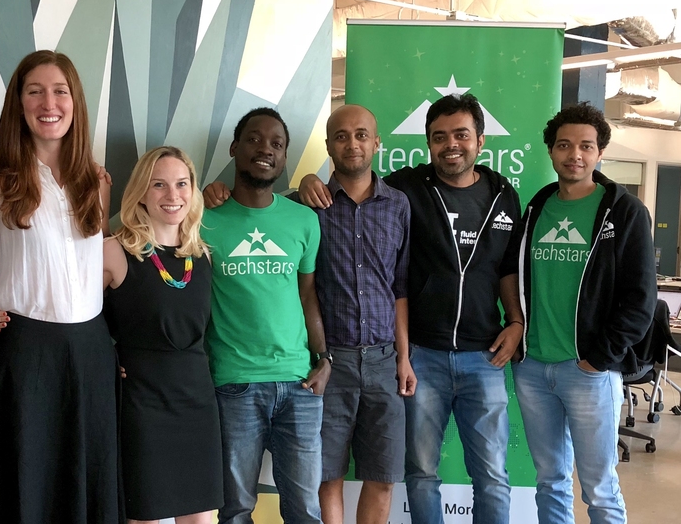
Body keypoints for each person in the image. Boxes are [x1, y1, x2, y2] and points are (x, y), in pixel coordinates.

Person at [295, 94, 523, 524]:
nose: (450, 144)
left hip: (462, 356)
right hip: (393, 357)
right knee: (405, 473)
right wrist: (308, 179)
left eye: (461, 135)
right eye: (440, 137)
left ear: (481, 140)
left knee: (484, 474)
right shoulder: (377, 194)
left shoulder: (497, 195)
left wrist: (515, 320)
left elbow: (504, 266)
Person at [205, 104, 415, 524]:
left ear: (377, 142)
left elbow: (392, 287)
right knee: (279, 494)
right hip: (272, 374)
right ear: (328, 145)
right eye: (341, 135)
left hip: (348, 370)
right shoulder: (297, 205)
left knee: (355, 487)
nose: (352, 143)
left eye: (361, 134)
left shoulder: (389, 206)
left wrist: (398, 357)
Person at [0, 50, 118, 523]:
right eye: (34, 91)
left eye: (59, 91)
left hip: (91, 351)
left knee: (83, 482)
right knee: (24, 483)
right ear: (19, 102)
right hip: (24, 352)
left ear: (75, 102)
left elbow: (102, 271)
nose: (48, 102)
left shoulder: (96, 179)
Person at [514, 103, 656, 524]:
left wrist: (599, 358)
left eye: (585, 146)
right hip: (534, 368)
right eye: (564, 145)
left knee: (599, 488)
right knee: (550, 480)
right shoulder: (537, 207)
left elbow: (641, 298)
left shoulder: (625, 211)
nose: (574, 154)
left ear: (599, 153)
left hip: (590, 372)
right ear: (551, 152)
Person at [201, 107, 330, 523]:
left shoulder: (304, 220)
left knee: (305, 510)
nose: (266, 149)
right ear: (235, 148)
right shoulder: (202, 221)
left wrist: (324, 358)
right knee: (235, 508)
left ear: (285, 158)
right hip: (234, 383)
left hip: (300, 383)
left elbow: (307, 295)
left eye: (277, 144)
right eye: (255, 139)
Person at [103, 145, 222, 523]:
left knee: (202, 519)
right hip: (143, 407)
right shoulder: (112, 252)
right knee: (146, 517)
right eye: (159, 185)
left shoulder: (201, 255)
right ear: (141, 192)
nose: (173, 196)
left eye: (181, 184)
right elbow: (73, 323)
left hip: (198, 404)